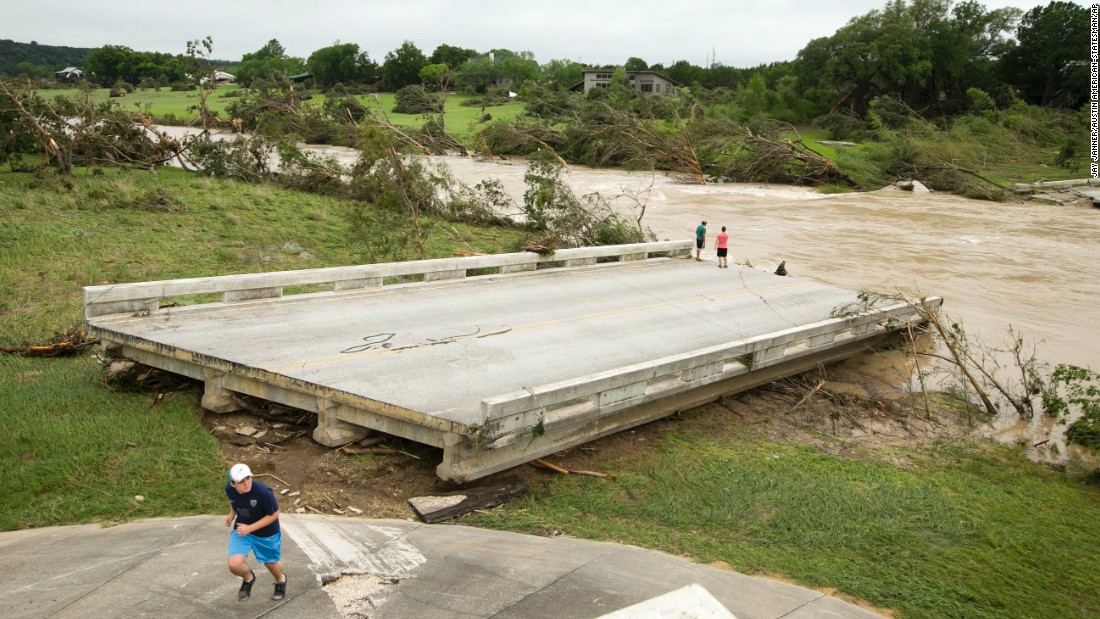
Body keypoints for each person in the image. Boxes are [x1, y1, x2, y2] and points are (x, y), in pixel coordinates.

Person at [225, 463, 287, 602]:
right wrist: (231, 514)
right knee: (234, 564)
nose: (247, 483)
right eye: (241, 481)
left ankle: (280, 581)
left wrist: (250, 528)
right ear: (233, 484)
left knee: (271, 564)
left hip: (266, 533)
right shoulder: (229, 489)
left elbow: (275, 514)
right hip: (243, 531)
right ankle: (249, 579)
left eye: (248, 478)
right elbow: (233, 501)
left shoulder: (263, 492)